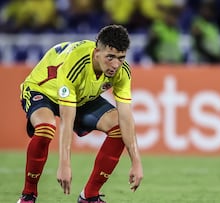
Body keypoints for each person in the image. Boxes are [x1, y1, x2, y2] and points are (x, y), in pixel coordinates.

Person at [17, 24, 143, 203]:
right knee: (46, 128)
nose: (115, 65)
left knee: (119, 128)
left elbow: (126, 117)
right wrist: (64, 164)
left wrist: (136, 161)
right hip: (43, 90)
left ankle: (89, 196)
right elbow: (67, 120)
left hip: (80, 96)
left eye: (121, 58)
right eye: (110, 57)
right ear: (97, 51)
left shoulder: (122, 71)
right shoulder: (77, 63)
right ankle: (28, 195)